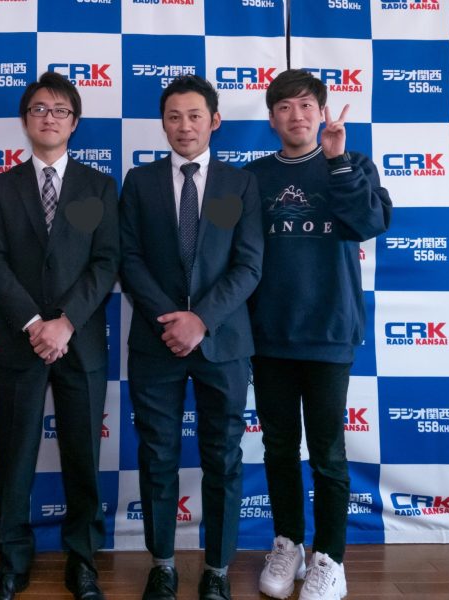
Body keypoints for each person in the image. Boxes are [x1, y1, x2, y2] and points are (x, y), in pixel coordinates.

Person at [243, 69, 391, 600]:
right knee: (279, 448)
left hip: (329, 333)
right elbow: (221, 241)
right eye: (284, 106)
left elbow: (368, 224)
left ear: (322, 112)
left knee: (328, 452)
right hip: (269, 336)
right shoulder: (252, 177)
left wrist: (337, 161)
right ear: (271, 118)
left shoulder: (353, 165)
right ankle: (288, 544)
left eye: (306, 105)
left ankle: (329, 557)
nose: (296, 115)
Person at [119, 75, 263, 600]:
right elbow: (129, 258)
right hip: (156, 343)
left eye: (195, 115)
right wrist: (172, 321)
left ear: (214, 121)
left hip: (222, 344)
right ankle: (162, 564)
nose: (185, 126)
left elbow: (247, 265)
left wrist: (200, 319)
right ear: (163, 123)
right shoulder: (139, 182)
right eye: (174, 116)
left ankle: (217, 569)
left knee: (222, 457)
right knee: (157, 455)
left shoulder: (238, 185)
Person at [0, 71, 119, 600]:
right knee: (15, 455)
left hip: (80, 342)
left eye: (60, 110)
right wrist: (35, 324)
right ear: (25, 120)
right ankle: (11, 560)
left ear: (74, 122)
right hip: (22, 341)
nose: (49, 118)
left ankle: (82, 559)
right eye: (39, 109)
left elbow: (106, 262)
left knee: (82, 456)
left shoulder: (99, 186)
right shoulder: (1, 187)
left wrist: (66, 321)